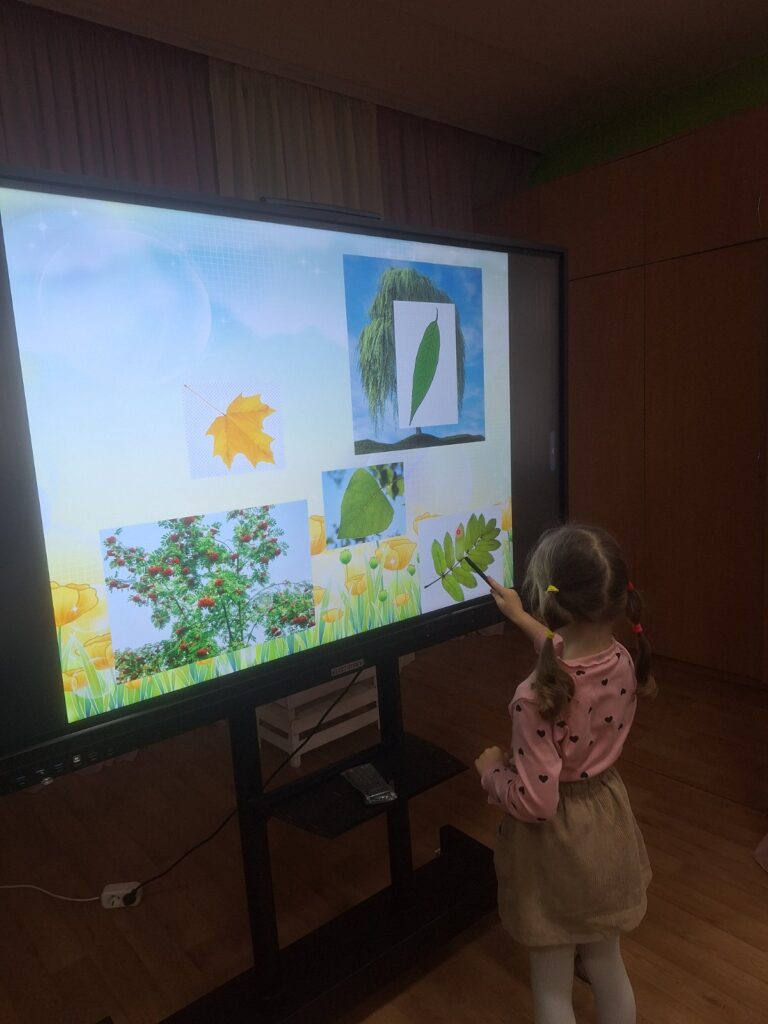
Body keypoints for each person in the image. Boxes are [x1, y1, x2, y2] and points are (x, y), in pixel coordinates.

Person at [475, 524, 655, 1024]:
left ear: (551, 597)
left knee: (552, 985)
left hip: (556, 846)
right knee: (606, 963)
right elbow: (568, 651)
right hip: (606, 825)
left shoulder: (535, 697)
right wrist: (520, 617)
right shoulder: (622, 658)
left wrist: (492, 772)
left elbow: (536, 802)